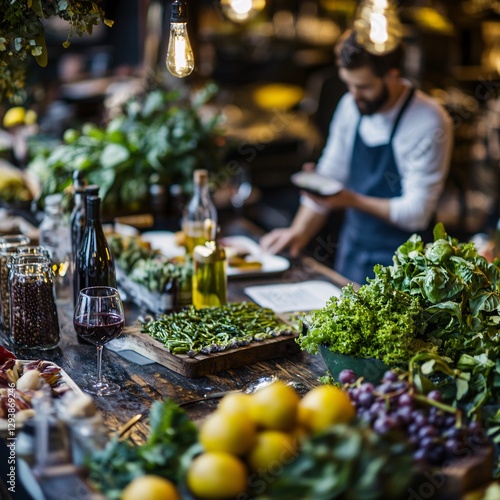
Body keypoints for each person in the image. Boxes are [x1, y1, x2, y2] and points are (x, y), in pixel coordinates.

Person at [260, 29, 453, 284]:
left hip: (407, 265)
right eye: (347, 83)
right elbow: (331, 174)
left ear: (393, 75)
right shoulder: (351, 106)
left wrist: (351, 200)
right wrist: (297, 233)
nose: (353, 94)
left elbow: (416, 212)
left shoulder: (429, 120)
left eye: (363, 86)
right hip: (353, 252)